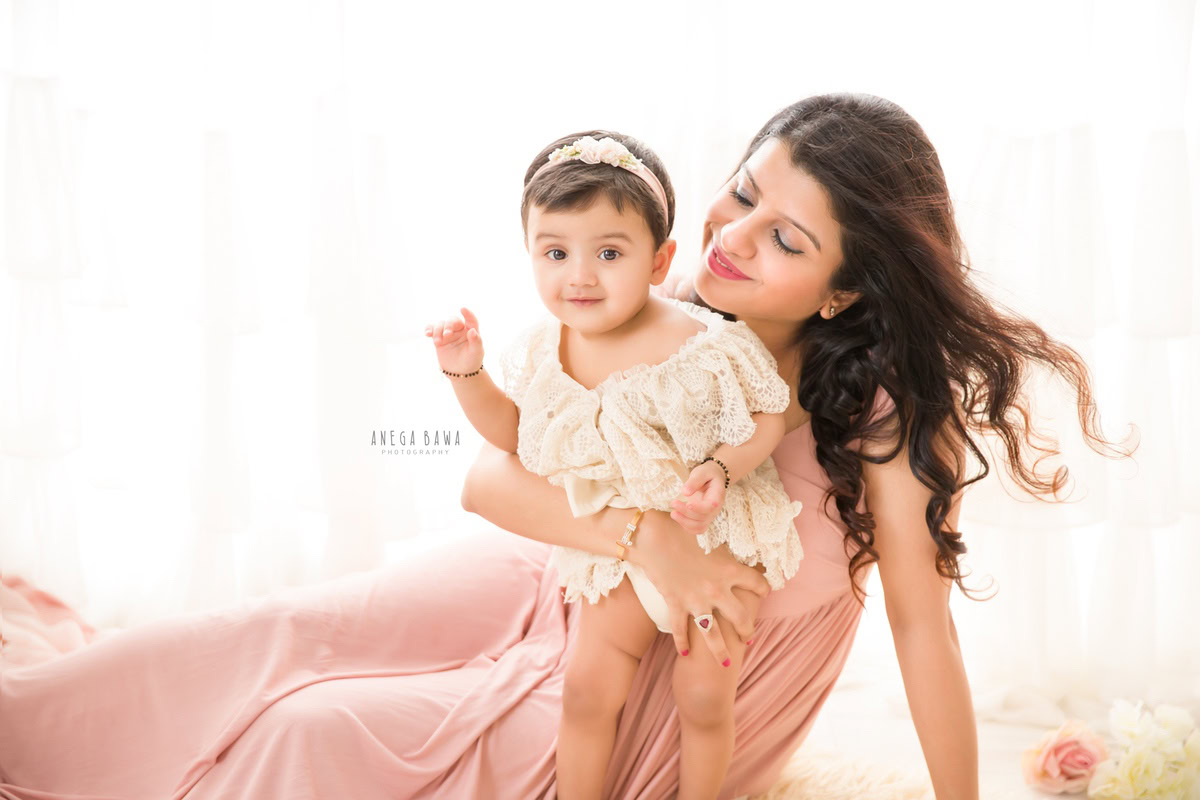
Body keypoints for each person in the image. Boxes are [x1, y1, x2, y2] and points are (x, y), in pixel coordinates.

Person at [0, 92, 1127, 800]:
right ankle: (30, 735)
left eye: (782, 237)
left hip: (665, 680)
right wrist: (653, 542)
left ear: (846, 286)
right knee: (282, 626)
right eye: (740, 195)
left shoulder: (879, 412)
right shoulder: (666, 299)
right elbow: (492, 473)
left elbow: (923, 630)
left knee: (319, 724)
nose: (730, 240)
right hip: (556, 572)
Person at [424, 130, 805, 800]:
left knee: (705, 699)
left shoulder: (701, 341)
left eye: (608, 253)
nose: (580, 274)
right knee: (587, 692)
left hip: (710, 540)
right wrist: (467, 374)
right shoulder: (545, 352)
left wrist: (721, 467)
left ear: (659, 262)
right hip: (618, 554)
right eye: (556, 252)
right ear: (530, 256)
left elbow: (766, 415)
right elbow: (515, 436)